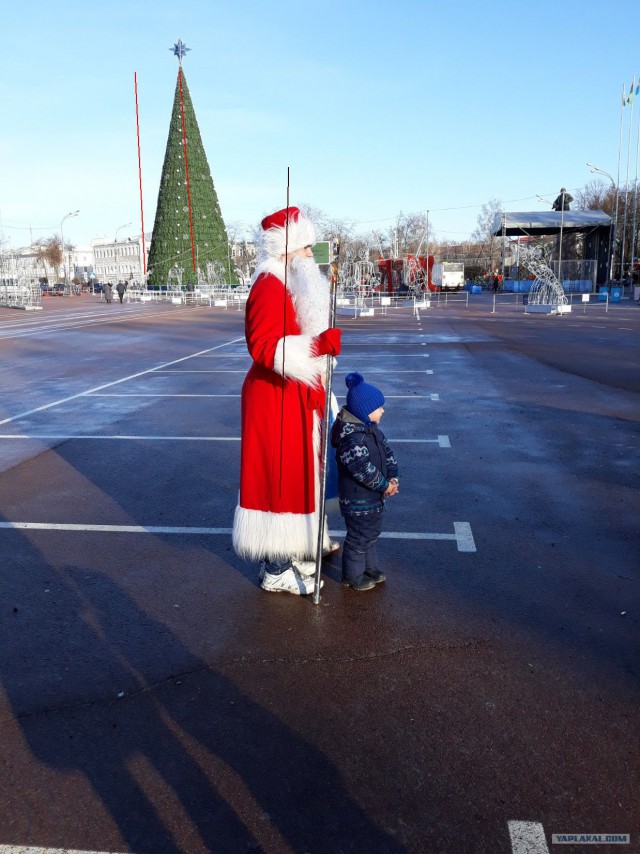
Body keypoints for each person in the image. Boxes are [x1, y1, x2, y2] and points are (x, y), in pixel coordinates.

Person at [232, 206, 342, 596]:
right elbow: (263, 347)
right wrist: (316, 346)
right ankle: (276, 568)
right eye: (307, 249)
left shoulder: (289, 283)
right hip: (273, 402)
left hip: (292, 397)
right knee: (277, 482)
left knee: (294, 480)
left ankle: (293, 555)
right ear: (289, 249)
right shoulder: (268, 285)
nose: (312, 257)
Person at [331, 372, 399, 591]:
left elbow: (387, 453)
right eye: (379, 408)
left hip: (373, 497)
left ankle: (369, 567)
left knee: (371, 533)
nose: (383, 411)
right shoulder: (352, 439)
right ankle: (352, 575)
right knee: (359, 537)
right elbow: (363, 470)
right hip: (358, 500)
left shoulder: (372, 431)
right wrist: (384, 485)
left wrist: (392, 477)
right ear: (365, 412)